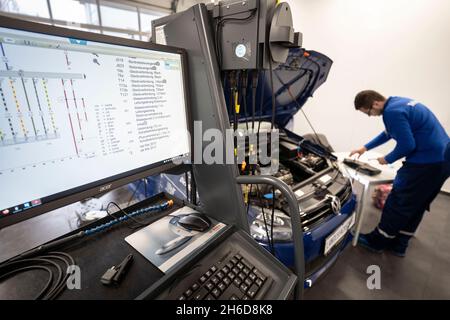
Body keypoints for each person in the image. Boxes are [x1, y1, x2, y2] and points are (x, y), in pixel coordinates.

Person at [350, 90, 450, 257]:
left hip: (425, 162)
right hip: (444, 159)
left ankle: (377, 242)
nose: (370, 116)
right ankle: (399, 244)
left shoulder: (392, 112)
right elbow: (387, 133)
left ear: (375, 104)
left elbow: (407, 145)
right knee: (417, 203)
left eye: (368, 112)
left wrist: (386, 159)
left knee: (399, 200)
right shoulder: (399, 103)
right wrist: (365, 148)